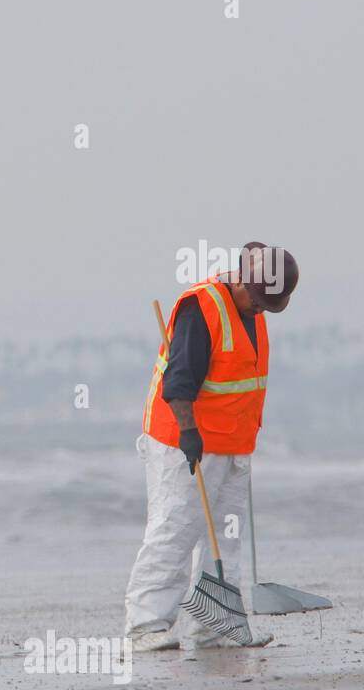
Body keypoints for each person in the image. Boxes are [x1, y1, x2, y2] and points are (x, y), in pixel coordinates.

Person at [125, 243, 299, 650]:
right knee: (174, 529)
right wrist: (189, 435)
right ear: (240, 279)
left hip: (233, 445)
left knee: (225, 537)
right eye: (256, 302)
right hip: (183, 441)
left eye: (266, 306)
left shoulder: (251, 308)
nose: (259, 310)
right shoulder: (201, 310)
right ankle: (146, 626)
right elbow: (179, 382)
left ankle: (215, 625)